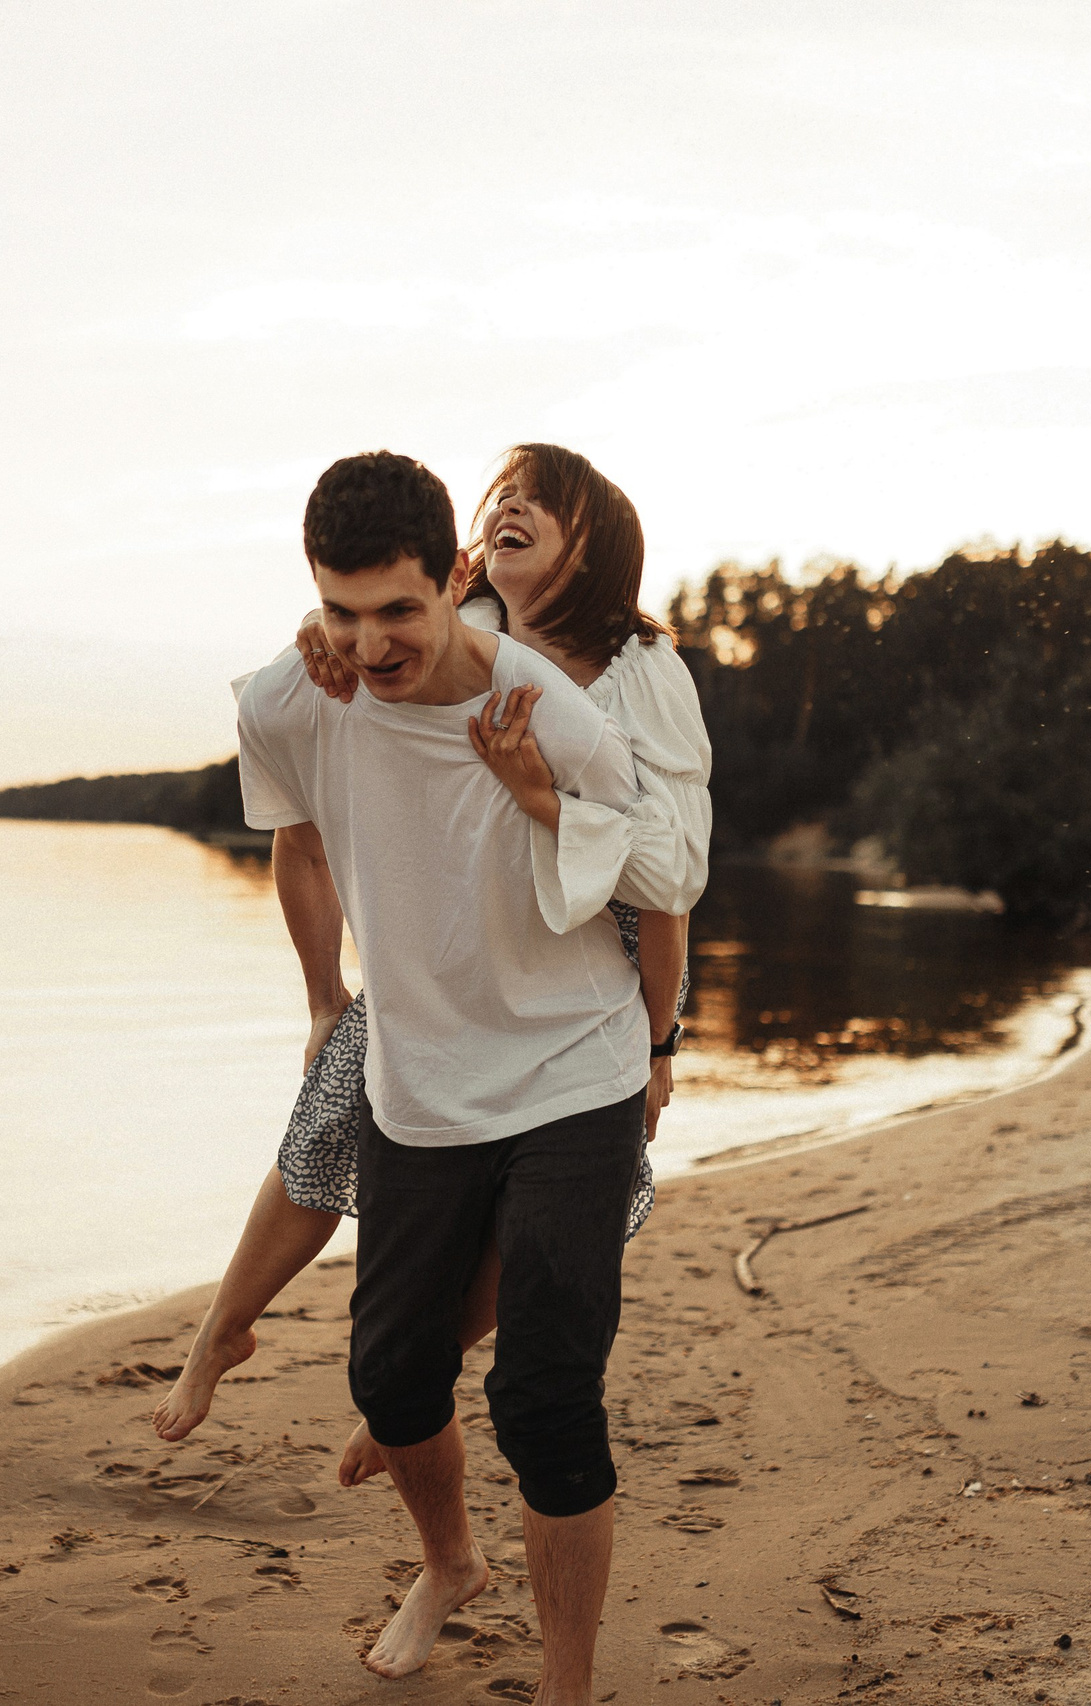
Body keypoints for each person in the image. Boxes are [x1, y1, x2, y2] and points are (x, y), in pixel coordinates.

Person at [153, 443, 711, 1465]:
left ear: (597, 541)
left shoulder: (642, 670)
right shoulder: (462, 628)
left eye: (534, 503)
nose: (505, 511)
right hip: (464, 935)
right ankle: (237, 1331)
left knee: (543, 1193)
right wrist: (322, 639)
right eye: (496, 498)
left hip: (615, 923)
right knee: (331, 1105)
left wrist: (661, 1039)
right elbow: (366, 655)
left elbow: (669, 873)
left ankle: (413, 1376)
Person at [230, 450, 663, 1699]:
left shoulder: (548, 707)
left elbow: (641, 863)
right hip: (420, 1074)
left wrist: (661, 1051)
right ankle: (450, 1562)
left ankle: (567, 1686)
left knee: (543, 1398)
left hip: (575, 1063)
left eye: (397, 611)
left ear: (455, 579)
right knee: (391, 1370)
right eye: (338, 611)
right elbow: (299, 840)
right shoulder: (288, 699)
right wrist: (324, 1002)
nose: (368, 644)